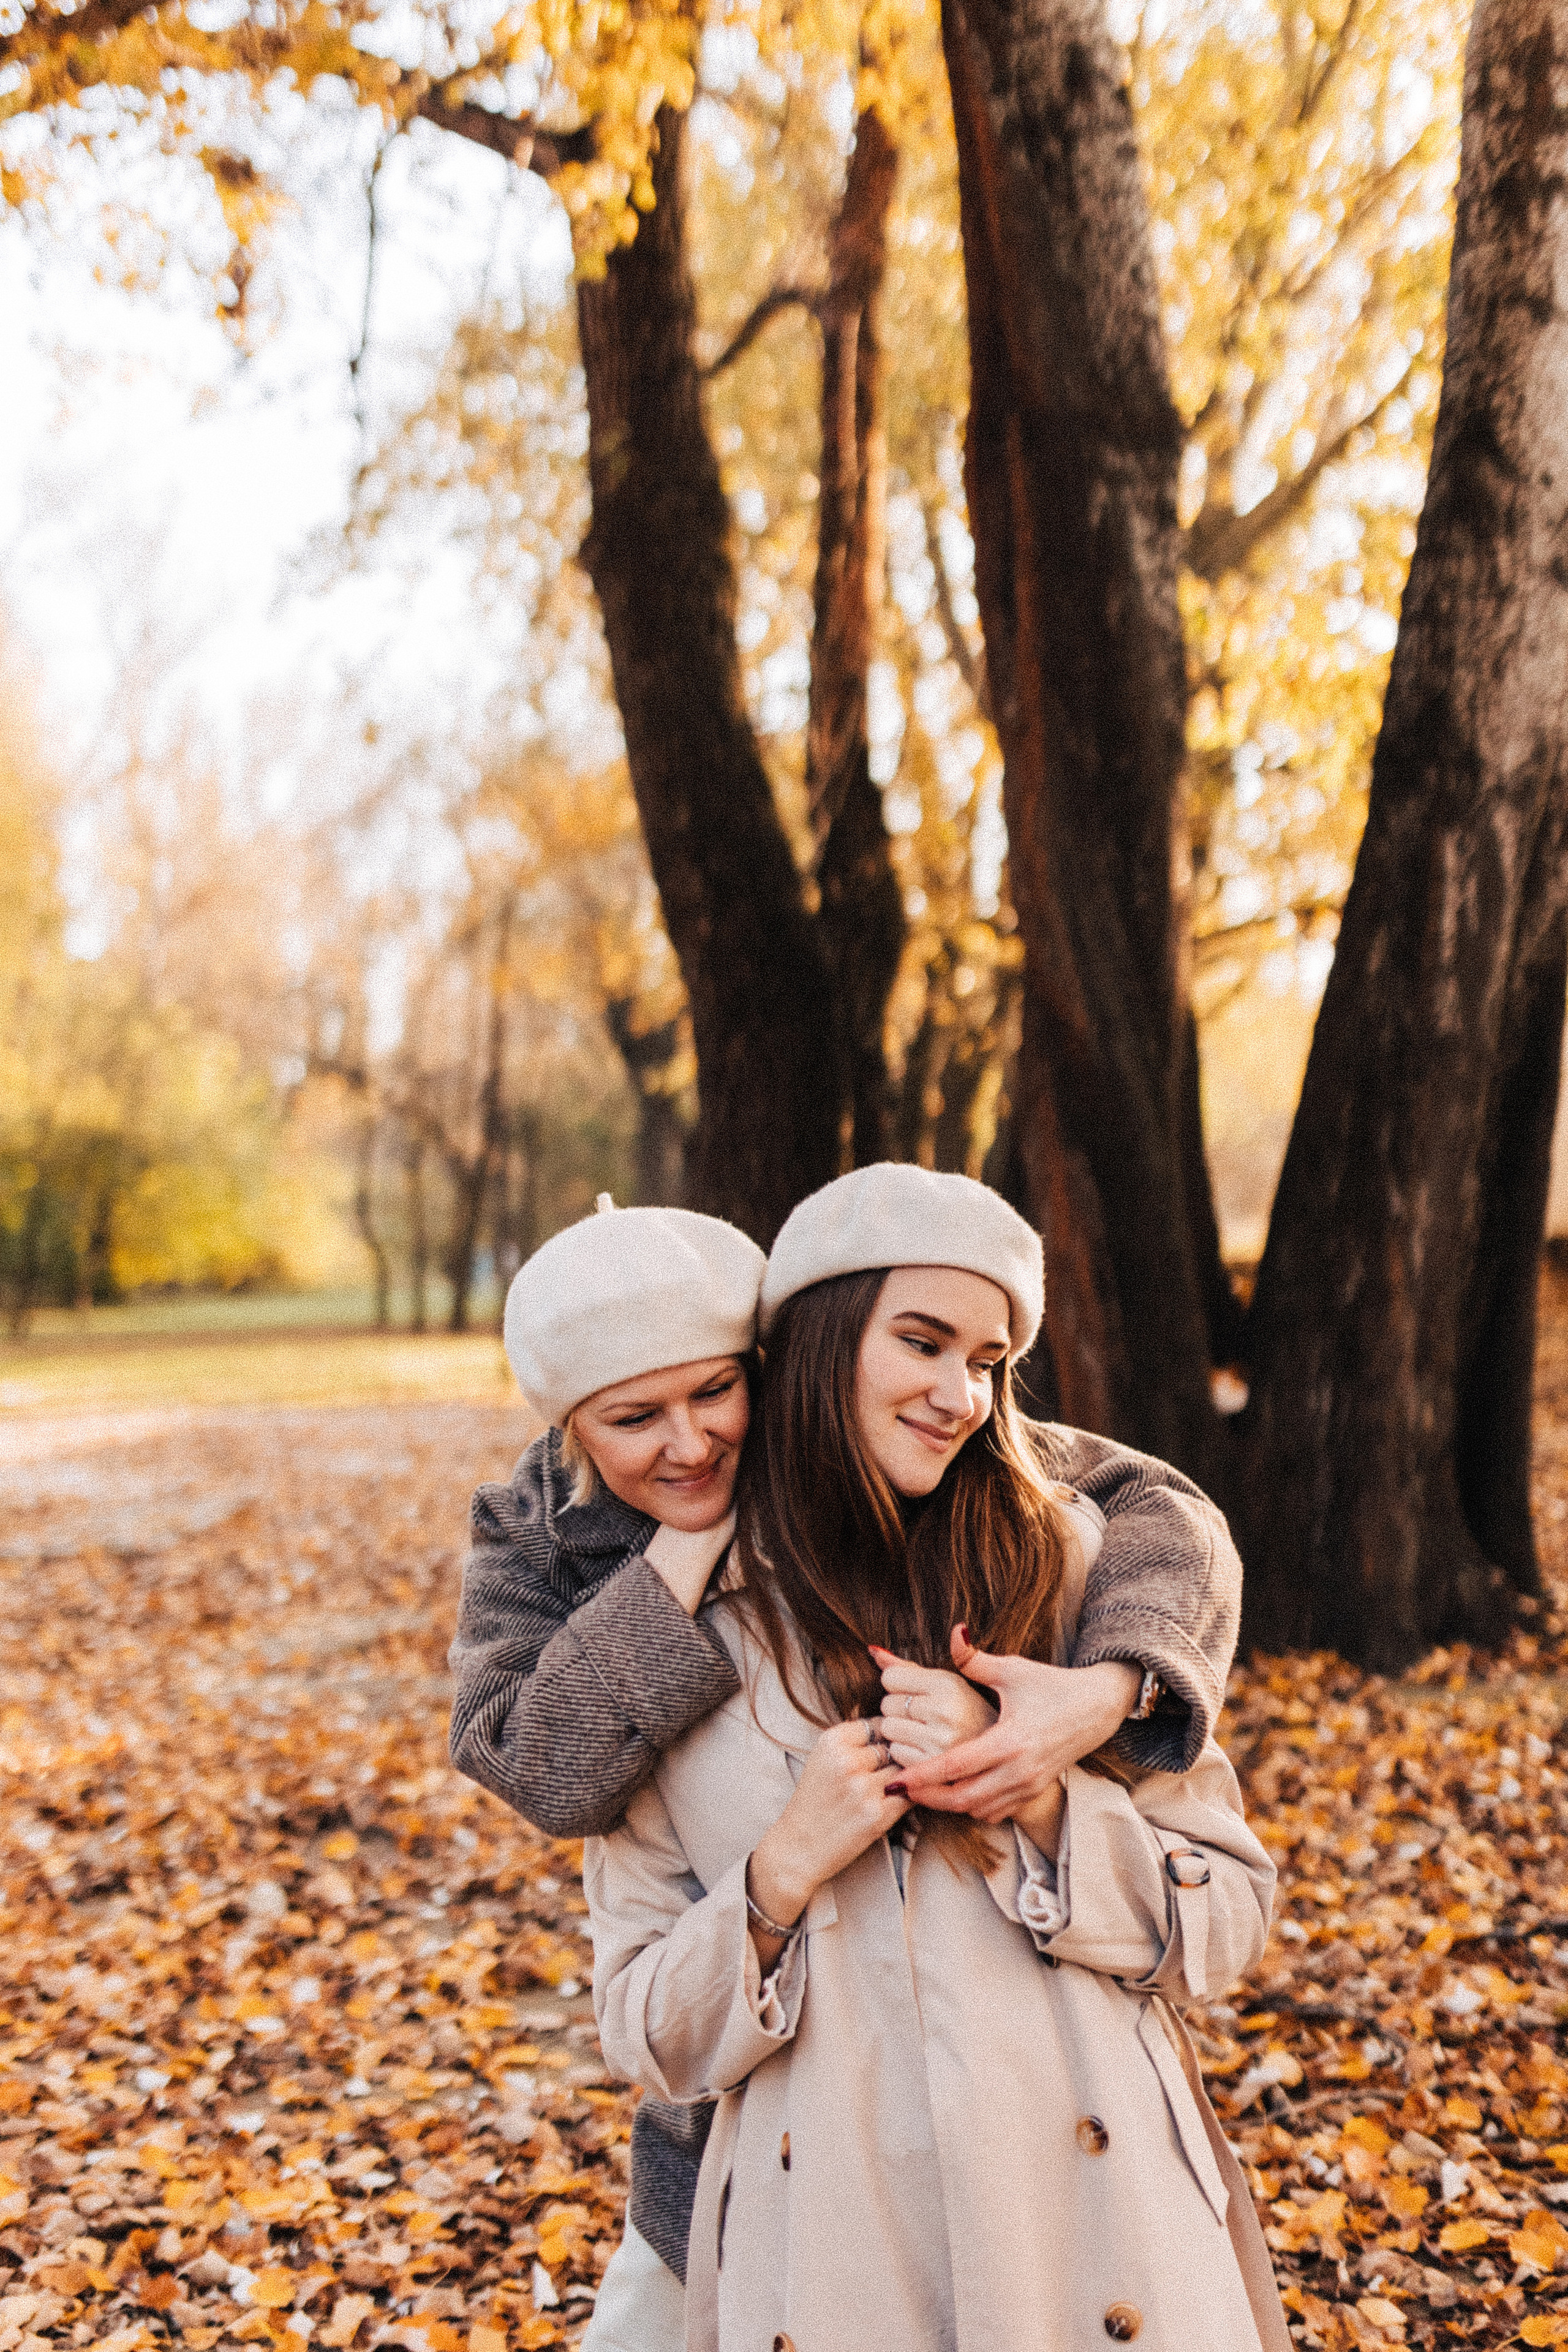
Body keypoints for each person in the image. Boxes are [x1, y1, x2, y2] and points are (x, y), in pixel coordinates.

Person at [449, 1180, 1251, 2351]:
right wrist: (781, 1862)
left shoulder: (1054, 1550)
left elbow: (1155, 1504)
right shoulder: (583, 1575)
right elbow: (547, 1776)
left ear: (768, 1369)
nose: (690, 1444)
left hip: (1090, 2219)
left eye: (716, 1393)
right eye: (634, 1418)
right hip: (783, 2200)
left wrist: (1079, 1726)